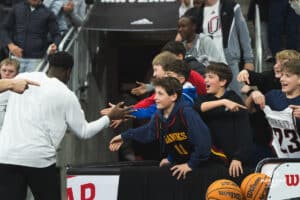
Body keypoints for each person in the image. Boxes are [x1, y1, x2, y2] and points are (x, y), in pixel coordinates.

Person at [0, 51, 133, 200]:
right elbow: (84, 131)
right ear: (68, 72)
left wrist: (11, 83)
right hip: (39, 159)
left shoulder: (21, 79)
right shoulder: (66, 95)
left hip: (7, 156)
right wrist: (109, 118)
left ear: (49, 65)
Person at [109, 77, 211, 180]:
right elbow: (148, 132)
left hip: (205, 164)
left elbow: (203, 142)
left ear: (173, 96)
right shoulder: (159, 115)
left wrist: (190, 164)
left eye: (160, 94)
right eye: (155, 93)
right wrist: (124, 136)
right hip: (184, 163)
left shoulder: (187, 113)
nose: (155, 98)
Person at [194, 62, 253, 177]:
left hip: (231, 162)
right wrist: (223, 102)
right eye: (205, 76)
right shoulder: (203, 98)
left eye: (210, 77)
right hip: (209, 160)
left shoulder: (235, 100)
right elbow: (198, 107)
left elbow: (244, 132)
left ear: (222, 81)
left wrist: (238, 157)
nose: (205, 80)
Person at [193, 0, 254, 97]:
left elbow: (244, 34)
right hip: (208, 64)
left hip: (229, 60)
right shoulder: (198, 12)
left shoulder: (231, 6)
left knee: (238, 96)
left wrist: (248, 59)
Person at [246, 59, 300, 158]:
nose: (282, 79)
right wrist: (252, 94)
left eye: (287, 76)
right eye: (282, 75)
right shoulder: (273, 96)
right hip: (277, 158)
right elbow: (249, 110)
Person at [0, 0, 61, 72]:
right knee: (14, 83)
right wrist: (10, 45)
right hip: (15, 58)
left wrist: (55, 44)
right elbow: (4, 29)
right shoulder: (16, 8)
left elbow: (57, 35)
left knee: (32, 83)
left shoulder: (49, 13)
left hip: (36, 60)